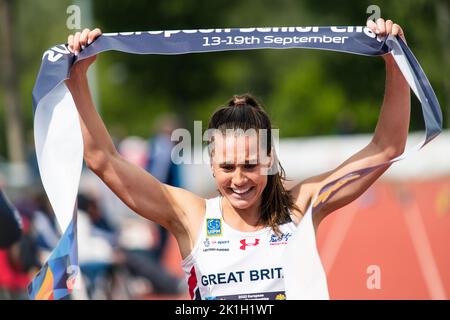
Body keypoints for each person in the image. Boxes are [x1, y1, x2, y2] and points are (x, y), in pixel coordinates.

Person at [65, 18, 409, 300]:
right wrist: (78, 77)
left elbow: (386, 148)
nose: (239, 179)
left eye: (250, 165)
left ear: (270, 161)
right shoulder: (190, 216)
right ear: (212, 164)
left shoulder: (299, 209)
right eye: (227, 167)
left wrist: (394, 63)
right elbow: (102, 159)